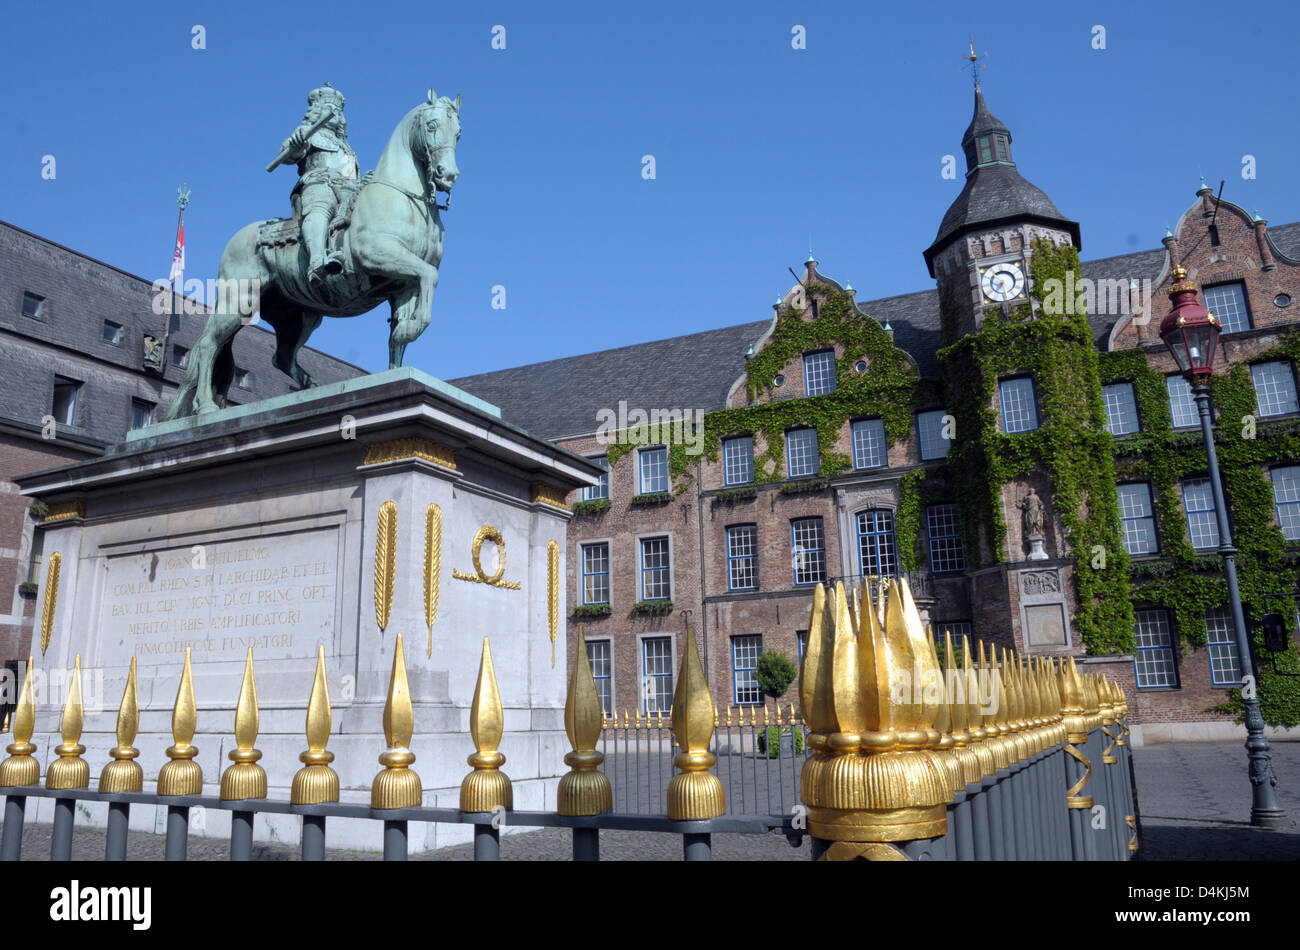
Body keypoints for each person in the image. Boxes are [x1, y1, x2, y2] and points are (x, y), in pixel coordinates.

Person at [278, 84, 360, 285]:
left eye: (338, 110)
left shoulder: (346, 147)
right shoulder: (308, 133)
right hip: (318, 183)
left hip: (347, 190)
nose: (334, 113)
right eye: (329, 107)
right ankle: (316, 261)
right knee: (321, 205)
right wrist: (295, 145)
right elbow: (289, 153)